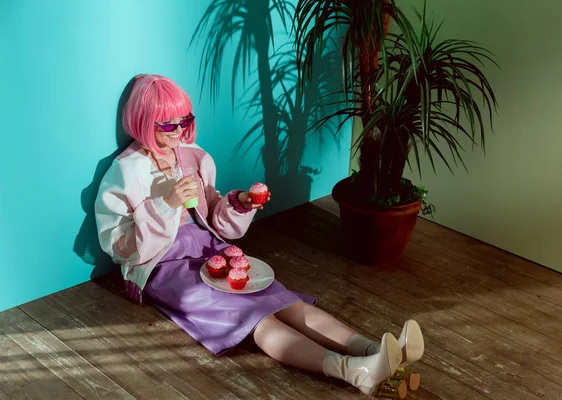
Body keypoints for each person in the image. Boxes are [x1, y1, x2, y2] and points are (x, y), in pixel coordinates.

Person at [94, 74, 425, 396]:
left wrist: (239, 204)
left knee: (283, 300)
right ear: (143, 121)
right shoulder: (125, 171)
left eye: (185, 120)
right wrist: (167, 205)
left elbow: (212, 214)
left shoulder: (191, 156)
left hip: (209, 246)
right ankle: (352, 371)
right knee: (255, 318)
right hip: (163, 265)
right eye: (168, 125)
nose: (180, 131)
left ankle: (375, 351)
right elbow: (120, 247)